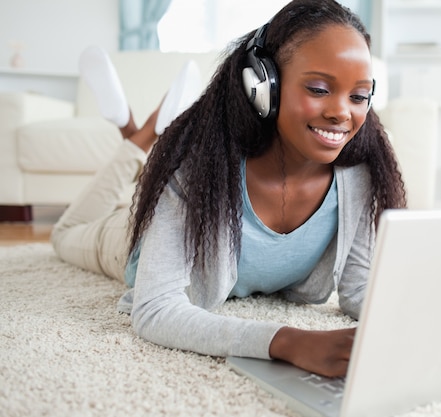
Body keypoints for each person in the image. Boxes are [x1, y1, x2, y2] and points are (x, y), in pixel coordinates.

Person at [52, 0, 406, 378]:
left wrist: (415, 318)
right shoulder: (201, 169)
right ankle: (136, 139)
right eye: (319, 89)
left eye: (358, 96)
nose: (342, 112)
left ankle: (138, 132)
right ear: (263, 86)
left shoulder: (358, 174)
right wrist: (286, 341)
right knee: (64, 234)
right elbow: (154, 309)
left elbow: (357, 287)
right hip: (131, 241)